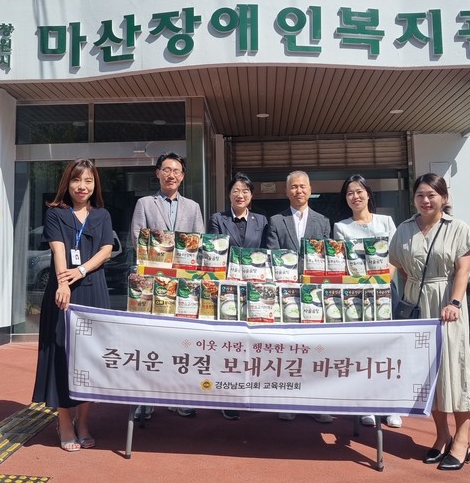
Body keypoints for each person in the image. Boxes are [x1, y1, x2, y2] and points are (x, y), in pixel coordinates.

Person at [389, 173, 470, 471]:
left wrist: (454, 302)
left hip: (446, 305)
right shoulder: (404, 229)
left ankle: (462, 440)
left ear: (444, 197)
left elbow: (463, 270)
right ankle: (442, 436)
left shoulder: (459, 228)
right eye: (420, 195)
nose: (426, 200)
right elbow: (399, 267)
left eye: (431, 195)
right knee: (427, 374)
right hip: (416, 305)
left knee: (455, 369)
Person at [32, 158, 115, 452]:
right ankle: (64, 421)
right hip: (63, 292)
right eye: (77, 180)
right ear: (67, 183)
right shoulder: (56, 213)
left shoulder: (102, 215)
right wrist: (63, 283)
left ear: (95, 185)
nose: (82, 186)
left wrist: (80, 271)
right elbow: (58, 249)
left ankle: (83, 421)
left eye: (88, 181)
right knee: (62, 354)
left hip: (94, 291)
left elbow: (106, 250)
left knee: (90, 357)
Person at [129, 152, 205, 420]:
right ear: (158, 173)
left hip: (183, 286)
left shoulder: (193, 207)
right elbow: (137, 238)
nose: (171, 175)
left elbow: (199, 242)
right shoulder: (144, 204)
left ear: (182, 176)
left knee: (181, 342)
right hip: (151, 283)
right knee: (148, 341)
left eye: (177, 171)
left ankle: (179, 397)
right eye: (166, 170)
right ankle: (145, 399)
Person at [333, 174, 402, 430]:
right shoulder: (341, 227)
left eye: (359, 191)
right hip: (356, 296)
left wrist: (382, 283)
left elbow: (395, 256)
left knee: (389, 348)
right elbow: (343, 263)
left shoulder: (386, 221)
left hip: (385, 291)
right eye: (350, 193)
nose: (355, 196)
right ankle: (367, 405)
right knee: (362, 349)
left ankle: (392, 405)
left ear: (368, 194)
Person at [266, 170, 332, 423]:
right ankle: (288, 400)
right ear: (287, 191)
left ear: (310, 189)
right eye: (293, 187)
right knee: (288, 348)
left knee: (316, 349)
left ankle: (317, 403)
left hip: (315, 296)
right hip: (286, 296)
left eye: (303, 186)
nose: (298, 191)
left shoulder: (322, 221)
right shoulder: (276, 221)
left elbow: (327, 259)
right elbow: (272, 255)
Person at [209, 172, 269, 420]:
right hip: (228, 292)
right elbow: (215, 252)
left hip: (255, 292)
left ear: (251, 195)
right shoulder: (218, 219)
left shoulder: (262, 221)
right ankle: (228, 396)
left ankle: (253, 392)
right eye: (236, 190)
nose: (240, 195)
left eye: (245, 190)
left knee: (254, 343)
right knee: (229, 343)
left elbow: (266, 253)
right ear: (229, 194)